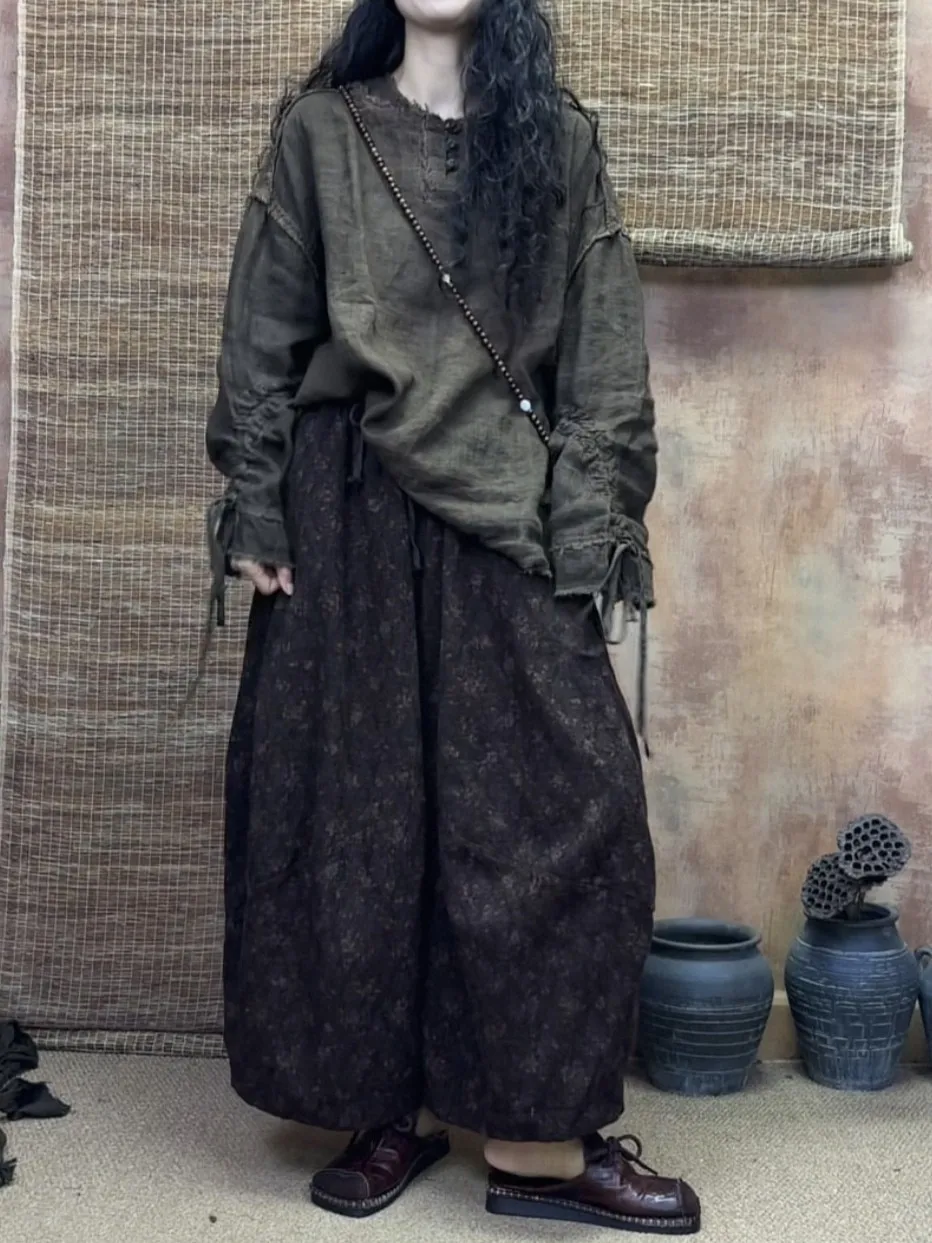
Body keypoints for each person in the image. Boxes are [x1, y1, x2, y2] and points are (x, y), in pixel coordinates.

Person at [205, 0, 700, 1233]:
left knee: (567, 804)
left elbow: (601, 360)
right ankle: (381, 1105)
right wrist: (256, 506)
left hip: (503, 510)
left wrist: (587, 528)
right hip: (343, 509)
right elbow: (262, 333)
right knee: (355, 816)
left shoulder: (558, 140)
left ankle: (536, 1143)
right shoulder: (320, 134)